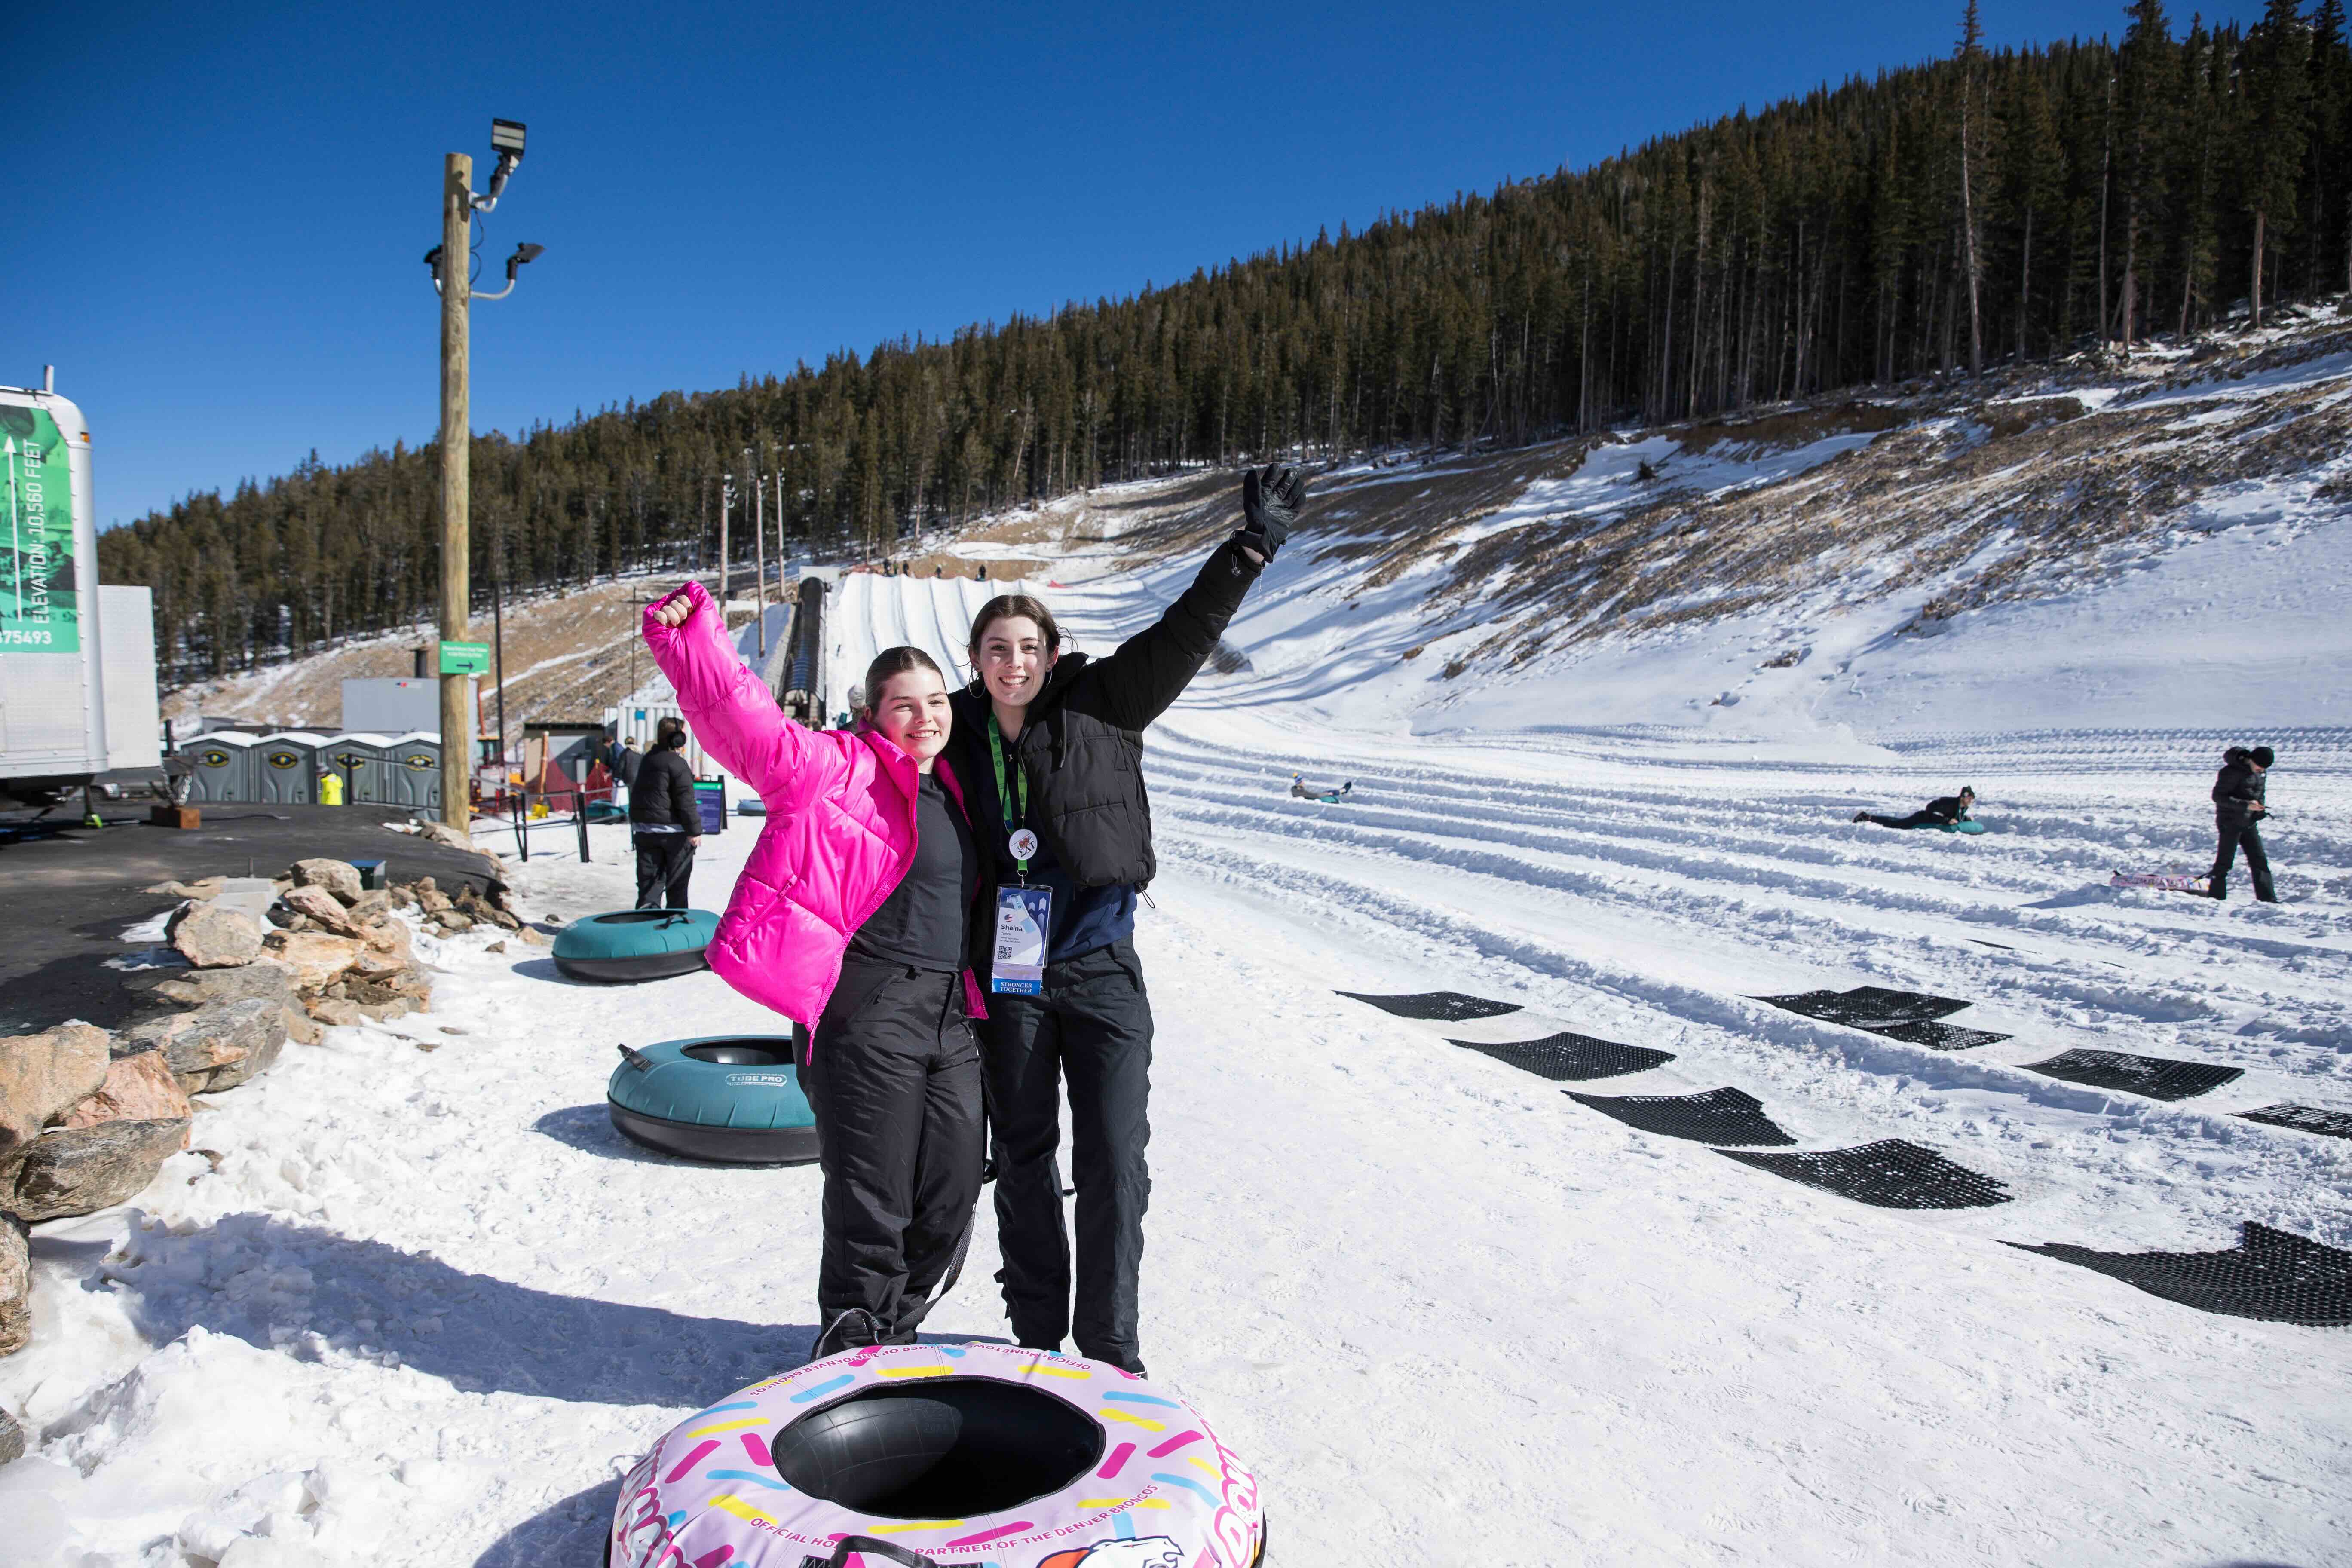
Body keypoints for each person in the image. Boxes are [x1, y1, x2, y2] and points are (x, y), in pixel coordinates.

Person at [947, 462, 1304, 1375]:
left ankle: (1110, 1350)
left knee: (1114, 1157)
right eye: (997, 648)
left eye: (1028, 647)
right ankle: (1037, 1336)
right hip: (1011, 978)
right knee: (1023, 1156)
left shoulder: (1106, 701)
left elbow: (1186, 632)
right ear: (976, 659)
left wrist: (1248, 551)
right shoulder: (954, 732)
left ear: (1051, 653)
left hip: (1100, 964)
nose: (1013, 663)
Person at [644, 584, 988, 1357]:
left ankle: (896, 1330)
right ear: (873, 714)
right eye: (904, 706)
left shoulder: (956, 788)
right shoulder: (835, 768)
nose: (925, 717)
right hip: (868, 1008)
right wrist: (692, 642)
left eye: (935, 701)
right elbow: (748, 724)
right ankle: (854, 1343)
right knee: (874, 1195)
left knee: (952, 1190)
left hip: (949, 1016)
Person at [629, 717, 701, 908]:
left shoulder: (647, 760)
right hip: (674, 836)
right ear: (676, 738)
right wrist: (694, 831)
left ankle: (646, 921)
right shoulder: (677, 764)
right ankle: (675, 920)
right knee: (677, 887)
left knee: (649, 887)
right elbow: (685, 801)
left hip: (645, 833)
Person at [2207, 745, 2277, 902]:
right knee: (2225, 863)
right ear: (2251, 759)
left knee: (2259, 861)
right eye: (2260, 766)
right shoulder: (2231, 772)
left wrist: (2259, 809)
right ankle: (2216, 899)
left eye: (2264, 768)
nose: (2262, 770)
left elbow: (2259, 793)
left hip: (2249, 822)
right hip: (2230, 822)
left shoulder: (2260, 772)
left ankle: (2268, 900)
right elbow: (2218, 797)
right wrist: (2246, 805)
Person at [1852, 787, 1975, 830]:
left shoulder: (1962, 807)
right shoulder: (1949, 803)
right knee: (1898, 824)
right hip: (1921, 818)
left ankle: (1868, 817)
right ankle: (1867, 817)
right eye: (1970, 798)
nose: (1971, 801)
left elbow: (1955, 818)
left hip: (1928, 818)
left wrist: (1965, 819)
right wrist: (1946, 821)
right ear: (1963, 797)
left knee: (1898, 823)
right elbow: (1932, 810)